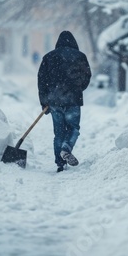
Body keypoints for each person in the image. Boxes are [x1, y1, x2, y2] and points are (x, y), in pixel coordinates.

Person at [38, 31, 92, 172]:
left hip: (54, 102)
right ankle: (66, 148)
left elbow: (41, 81)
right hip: (73, 100)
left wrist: (44, 101)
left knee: (59, 133)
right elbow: (87, 77)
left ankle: (60, 164)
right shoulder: (80, 57)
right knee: (74, 128)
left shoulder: (49, 57)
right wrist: (78, 88)